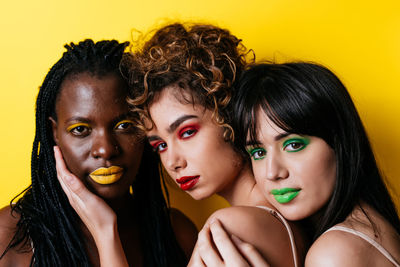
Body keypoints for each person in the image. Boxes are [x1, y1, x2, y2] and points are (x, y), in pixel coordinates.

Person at [126, 23, 310, 266]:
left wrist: (104, 231)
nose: (173, 162)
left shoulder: (227, 228)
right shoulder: (293, 213)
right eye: (160, 145)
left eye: (187, 132)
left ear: (229, 117)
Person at [0, 39, 196, 267]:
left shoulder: (176, 235)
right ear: (54, 132)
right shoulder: (11, 238)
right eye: (81, 130)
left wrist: (106, 232)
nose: (105, 149)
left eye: (125, 125)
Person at [224, 62, 400, 266]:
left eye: (294, 145)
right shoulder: (369, 226)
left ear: (340, 143)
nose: (273, 172)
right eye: (259, 152)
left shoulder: (334, 253)